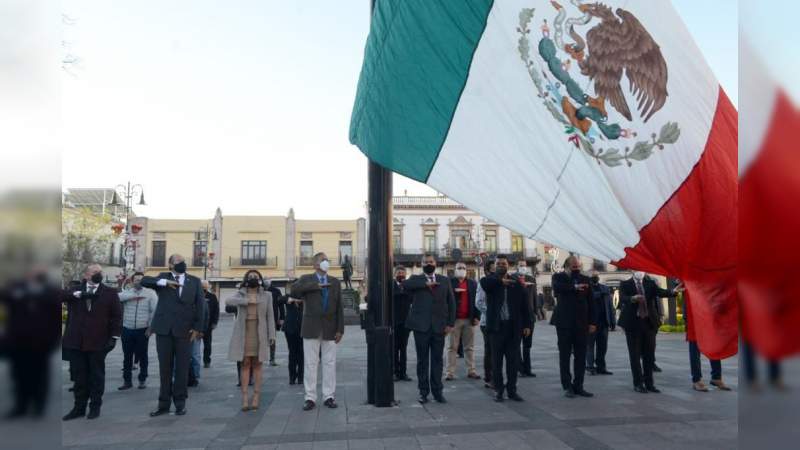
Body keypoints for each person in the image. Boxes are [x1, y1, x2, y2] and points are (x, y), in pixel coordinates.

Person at [142, 254, 205, 417]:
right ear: (170, 265)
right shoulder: (163, 278)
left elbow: (200, 306)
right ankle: (163, 404)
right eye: (177, 261)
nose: (182, 263)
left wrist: (198, 328)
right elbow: (143, 281)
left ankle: (180, 403)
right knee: (165, 368)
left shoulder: (195, 281)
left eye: (183, 261)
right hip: (164, 330)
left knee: (183, 368)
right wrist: (164, 282)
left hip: (185, 331)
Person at [62, 264, 122, 420]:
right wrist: (75, 294)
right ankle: (78, 407)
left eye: (100, 272)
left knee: (96, 376)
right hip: (76, 342)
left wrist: (114, 337)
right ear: (87, 275)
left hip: (98, 342)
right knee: (79, 376)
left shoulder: (109, 292)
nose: (98, 275)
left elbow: (116, 316)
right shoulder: (75, 289)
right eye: (95, 272)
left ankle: (95, 406)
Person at [290, 252, 345, 411]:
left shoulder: (335, 282)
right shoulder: (307, 278)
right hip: (311, 327)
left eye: (327, 259)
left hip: (330, 327)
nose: (326, 262)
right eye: (323, 260)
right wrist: (315, 286)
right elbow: (294, 291)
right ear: (315, 265)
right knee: (310, 363)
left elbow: (340, 307)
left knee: (329, 363)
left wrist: (340, 329)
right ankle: (310, 398)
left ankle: (329, 396)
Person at [403, 253, 456, 404]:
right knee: (422, 361)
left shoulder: (444, 280)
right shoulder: (416, 279)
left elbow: (451, 303)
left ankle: (438, 391)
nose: (428, 264)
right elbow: (405, 286)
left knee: (437, 360)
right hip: (421, 327)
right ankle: (423, 392)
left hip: (439, 327)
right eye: (425, 262)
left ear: (435, 263)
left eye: (431, 261)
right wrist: (425, 284)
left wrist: (450, 324)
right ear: (421, 264)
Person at [480, 255, 532, 402]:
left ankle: (512, 390)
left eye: (504, 263)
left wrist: (527, 324)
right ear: (494, 266)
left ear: (508, 265)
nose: (502, 265)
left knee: (512, 361)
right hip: (496, 327)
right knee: (496, 362)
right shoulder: (490, 280)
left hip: (513, 328)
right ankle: (499, 390)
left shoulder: (516, 283)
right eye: (499, 264)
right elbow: (485, 283)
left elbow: (525, 306)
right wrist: (500, 281)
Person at [618, 271, 680, 394]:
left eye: (641, 269)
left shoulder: (650, 283)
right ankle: (638, 383)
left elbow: (660, 292)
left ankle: (649, 383)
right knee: (635, 355)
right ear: (632, 271)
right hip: (632, 324)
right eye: (636, 269)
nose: (639, 272)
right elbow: (622, 298)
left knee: (649, 355)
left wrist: (673, 291)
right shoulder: (625, 284)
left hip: (649, 323)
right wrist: (632, 298)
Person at [226, 270, 276, 411]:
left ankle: (256, 396)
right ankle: (244, 397)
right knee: (245, 363)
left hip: (259, 332)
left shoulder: (267, 295)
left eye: (256, 276)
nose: (253, 278)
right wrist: (246, 300)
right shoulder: (241, 293)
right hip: (244, 332)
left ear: (260, 279)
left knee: (258, 364)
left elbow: (270, 316)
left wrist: (272, 335)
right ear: (246, 279)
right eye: (250, 277)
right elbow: (228, 301)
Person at [551, 256, 596, 398]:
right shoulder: (558, 277)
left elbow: (591, 302)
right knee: (564, 355)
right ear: (567, 266)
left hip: (581, 323)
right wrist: (574, 287)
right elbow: (557, 289)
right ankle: (567, 386)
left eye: (578, 267)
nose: (577, 270)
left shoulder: (585, 279)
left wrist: (592, 322)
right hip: (564, 323)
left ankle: (579, 386)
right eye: (574, 267)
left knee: (581, 356)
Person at [118, 272, 158, 390]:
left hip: (143, 329)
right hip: (127, 329)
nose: (138, 282)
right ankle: (127, 381)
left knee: (142, 355)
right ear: (132, 281)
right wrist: (132, 296)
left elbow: (154, 312)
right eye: (136, 280)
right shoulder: (127, 292)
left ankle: (142, 379)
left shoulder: (151, 293)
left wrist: (151, 328)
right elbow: (117, 297)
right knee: (127, 356)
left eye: (141, 280)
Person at [446, 262, 481, 381]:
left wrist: (477, 317)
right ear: (454, 270)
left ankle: (471, 370)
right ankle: (449, 372)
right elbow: (445, 301)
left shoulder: (472, 283)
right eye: (459, 268)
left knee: (469, 347)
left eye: (463, 268)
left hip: (469, 319)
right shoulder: (450, 283)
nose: (461, 269)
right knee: (452, 347)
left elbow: (477, 301)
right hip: (454, 320)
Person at [586, 271, 614, 376]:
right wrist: (599, 294)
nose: (595, 278)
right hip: (591, 323)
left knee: (603, 346)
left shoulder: (605, 288)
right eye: (593, 276)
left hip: (604, 322)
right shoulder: (587, 288)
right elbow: (588, 298)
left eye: (597, 276)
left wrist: (612, 321)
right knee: (590, 346)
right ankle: (590, 367)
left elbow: (610, 306)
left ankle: (601, 367)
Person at [515, 260, 538, 378]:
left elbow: (534, 295)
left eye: (524, 265)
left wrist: (536, 311)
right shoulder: (513, 278)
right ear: (517, 267)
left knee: (527, 345)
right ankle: (520, 369)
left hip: (529, 316)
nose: (523, 267)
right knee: (517, 344)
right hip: (517, 316)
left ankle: (528, 369)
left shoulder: (531, 279)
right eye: (521, 265)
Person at [475, 259, 495, 389]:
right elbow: (479, 302)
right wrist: (492, 313)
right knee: (490, 351)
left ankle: (496, 376)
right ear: (487, 270)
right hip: (486, 322)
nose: (495, 270)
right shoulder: (483, 283)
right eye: (493, 268)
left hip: (500, 322)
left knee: (496, 351)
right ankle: (489, 377)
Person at [392, 266, 413, 382]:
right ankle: (394, 371)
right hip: (394, 321)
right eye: (399, 273)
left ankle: (403, 373)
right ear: (395, 274)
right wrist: (402, 294)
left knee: (403, 348)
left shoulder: (408, 286)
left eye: (403, 273)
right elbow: (393, 296)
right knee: (394, 348)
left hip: (405, 322)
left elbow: (411, 298)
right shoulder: (391, 285)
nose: (401, 275)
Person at [282, 294, 304, 385]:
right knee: (292, 353)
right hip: (290, 328)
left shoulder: (305, 297)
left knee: (301, 353)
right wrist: (293, 299)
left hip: (302, 328)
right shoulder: (289, 296)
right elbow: (280, 299)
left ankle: (300, 377)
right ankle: (292, 376)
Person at [187, 295, 208, 388]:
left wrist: (201, 330)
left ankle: (195, 376)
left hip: (196, 331)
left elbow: (205, 316)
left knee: (195, 355)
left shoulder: (201, 301)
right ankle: (179, 377)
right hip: (181, 331)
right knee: (178, 356)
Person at [264, 277, 284, 367]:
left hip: (273, 318)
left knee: (272, 338)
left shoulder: (276, 291)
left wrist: (282, 318)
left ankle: (272, 359)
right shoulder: (259, 290)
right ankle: (259, 358)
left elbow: (281, 305)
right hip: (261, 318)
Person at [201, 281, 220, 368]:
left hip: (208, 325)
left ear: (208, 287)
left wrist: (215, 322)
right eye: (202, 286)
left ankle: (207, 361)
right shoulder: (195, 295)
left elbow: (216, 310)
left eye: (205, 286)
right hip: (196, 325)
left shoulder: (212, 297)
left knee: (207, 345)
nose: (204, 288)